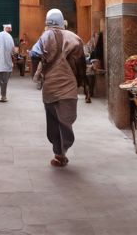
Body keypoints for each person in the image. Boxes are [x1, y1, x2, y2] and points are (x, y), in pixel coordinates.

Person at [30, 9, 86, 167]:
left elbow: (34, 54)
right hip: (69, 86)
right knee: (66, 120)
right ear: (63, 22)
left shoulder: (45, 36)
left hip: (51, 86)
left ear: (47, 22)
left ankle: (58, 152)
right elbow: (82, 65)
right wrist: (79, 83)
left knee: (53, 120)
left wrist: (43, 63)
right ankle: (63, 151)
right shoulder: (75, 38)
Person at [0, 24, 15, 102]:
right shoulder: (9, 37)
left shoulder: (0, 35)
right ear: (8, 29)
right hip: (7, 61)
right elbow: (12, 48)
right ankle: (3, 96)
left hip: (0, 61)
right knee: (5, 80)